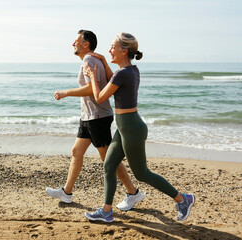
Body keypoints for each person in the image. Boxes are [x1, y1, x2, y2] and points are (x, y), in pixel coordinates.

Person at [83, 32, 195, 223]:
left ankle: (183, 199)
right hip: (125, 128)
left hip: (132, 130)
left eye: (113, 47)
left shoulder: (122, 74)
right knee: (109, 166)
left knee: (142, 173)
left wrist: (93, 76)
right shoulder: (131, 71)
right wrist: (104, 60)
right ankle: (106, 211)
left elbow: (100, 96)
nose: (109, 49)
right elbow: (113, 80)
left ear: (124, 51)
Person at [45, 30, 144, 210]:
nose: (73, 44)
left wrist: (65, 93)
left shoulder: (89, 61)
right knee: (76, 152)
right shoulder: (92, 60)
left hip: (98, 117)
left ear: (86, 44)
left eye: (76, 41)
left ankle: (133, 192)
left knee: (109, 159)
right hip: (89, 116)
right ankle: (66, 192)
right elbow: (107, 81)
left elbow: (92, 89)